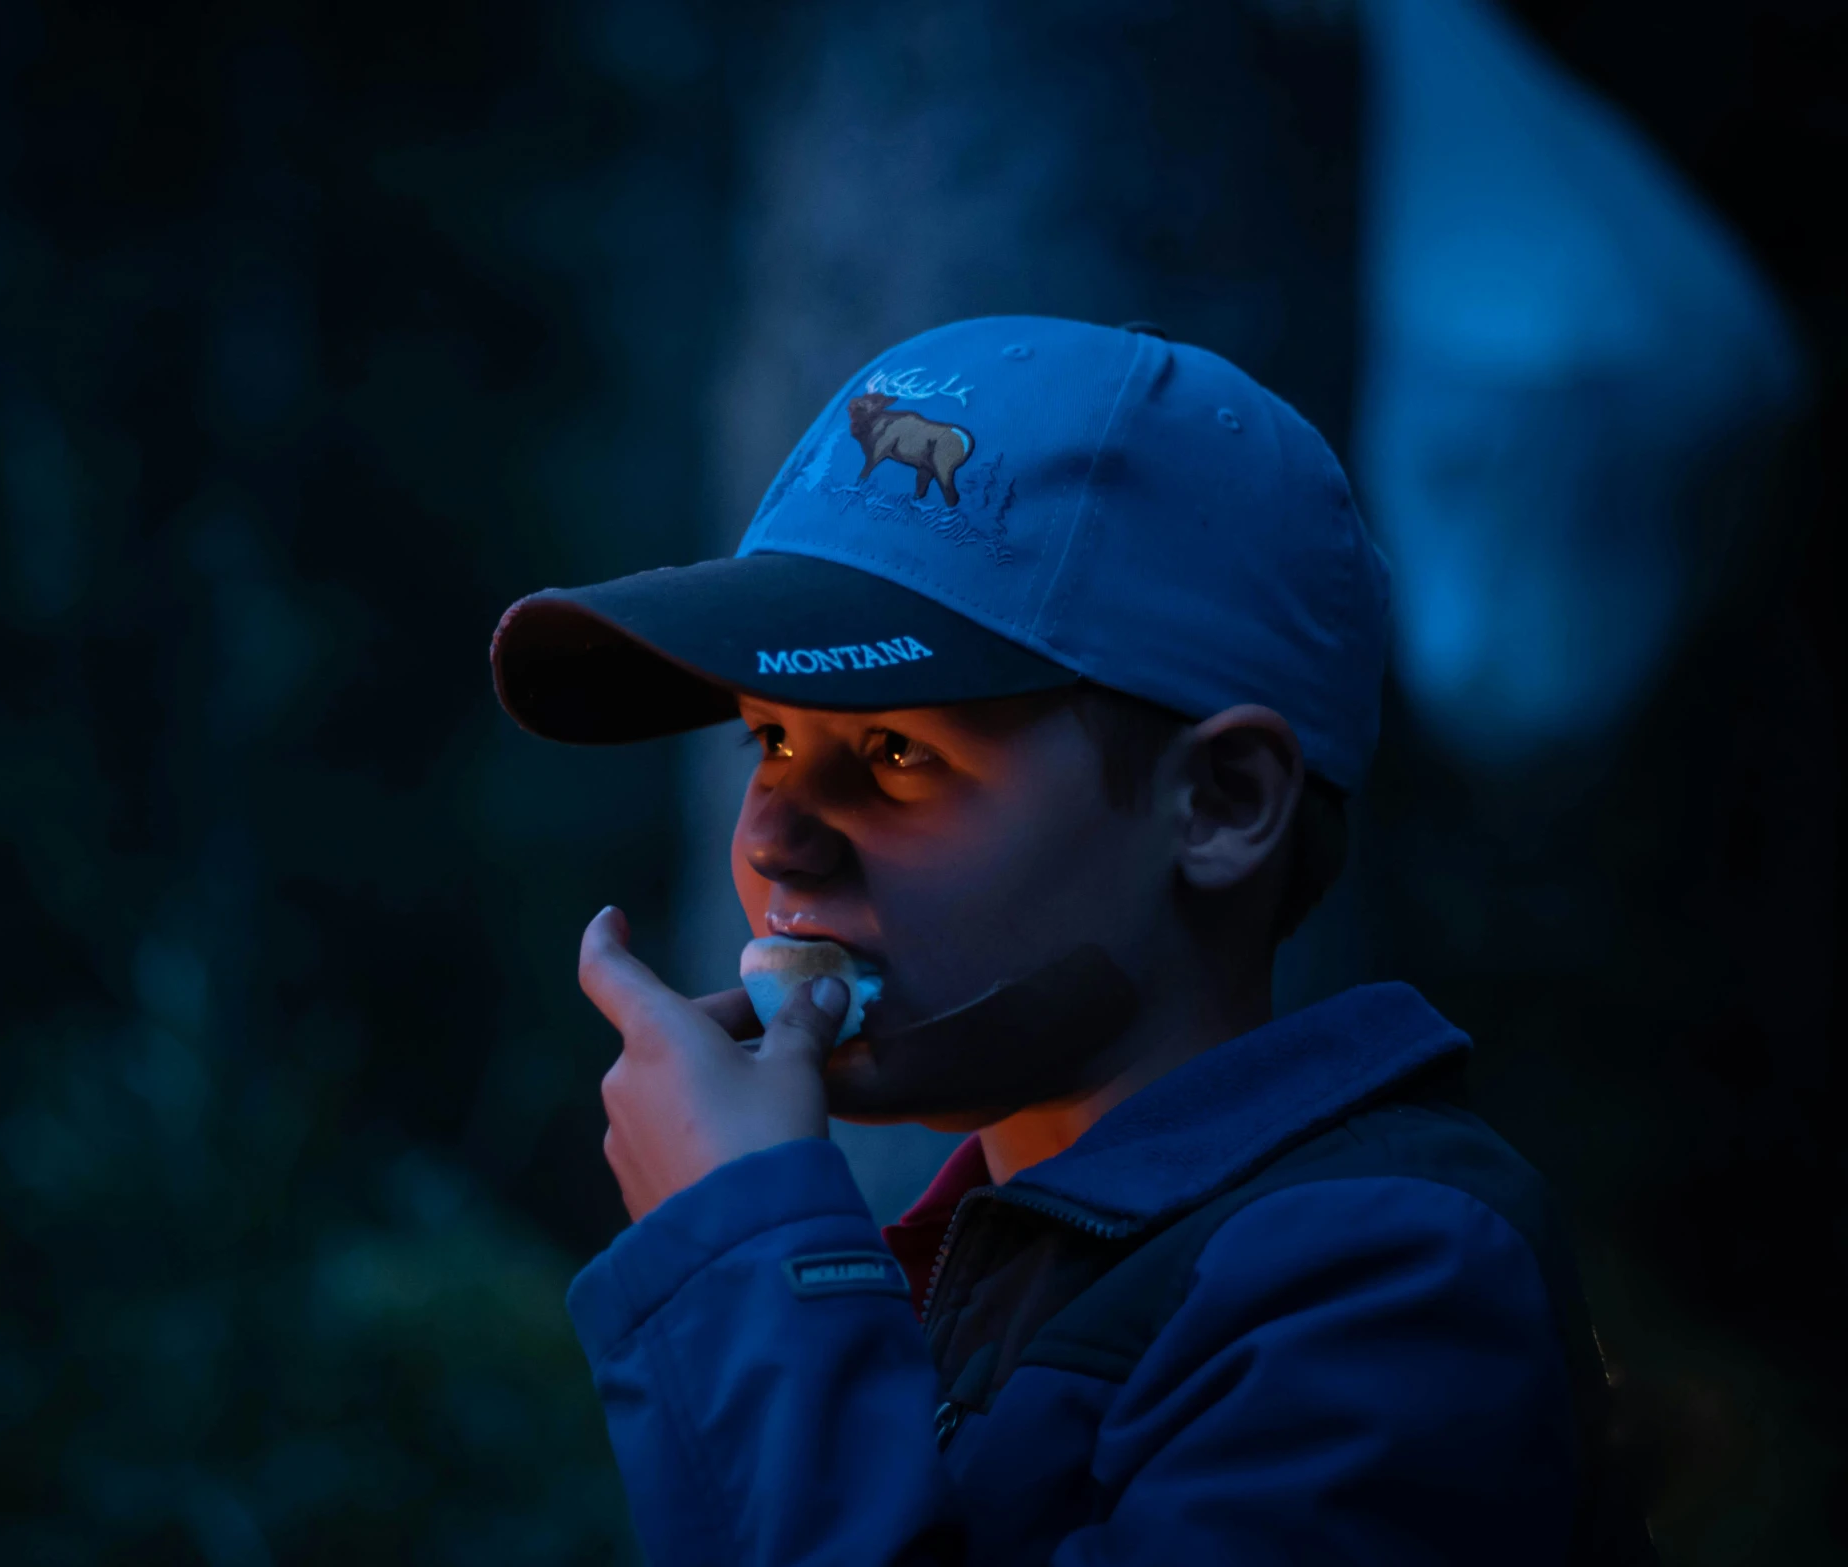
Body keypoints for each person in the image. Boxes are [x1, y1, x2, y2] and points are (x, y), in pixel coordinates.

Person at [487, 317, 1656, 1565]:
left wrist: (742, 1260)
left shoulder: (1388, 1289)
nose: (775, 839)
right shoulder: (974, 1262)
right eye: (767, 738)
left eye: (894, 755)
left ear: (1219, 805)